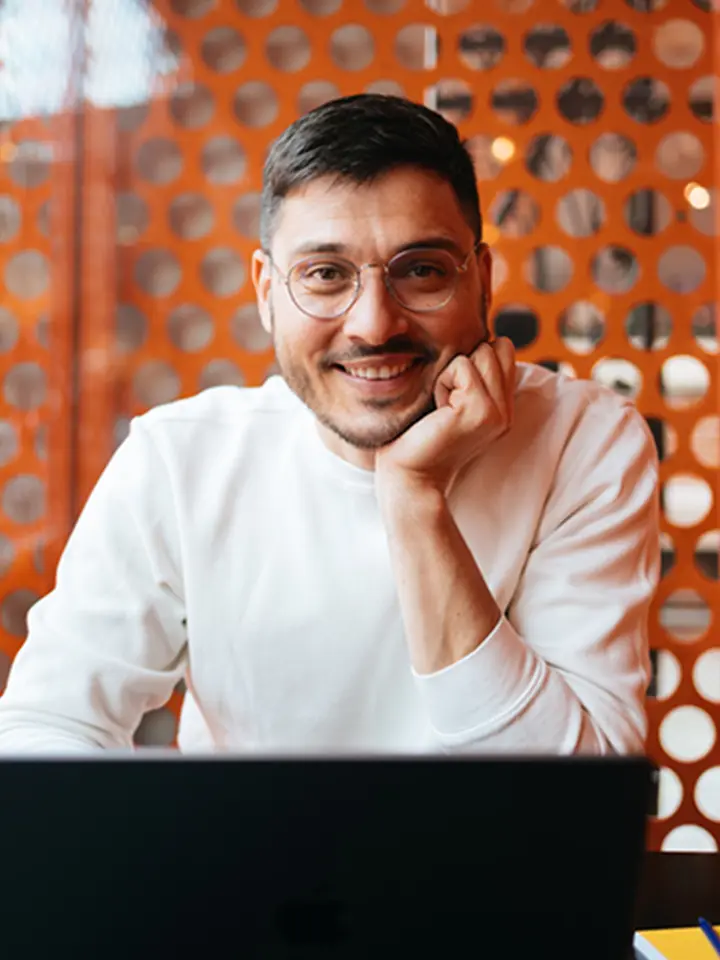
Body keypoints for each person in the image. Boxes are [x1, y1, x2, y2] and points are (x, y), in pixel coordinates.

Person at [0, 94, 659, 754]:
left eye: (423, 270)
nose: (374, 323)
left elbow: (570, 794)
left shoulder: (585, 442)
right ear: (266, 293)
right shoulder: (179, 461)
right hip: (241, 861)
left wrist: (413, 497)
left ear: (482, 283)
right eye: (325, 275)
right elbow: (46, 728)